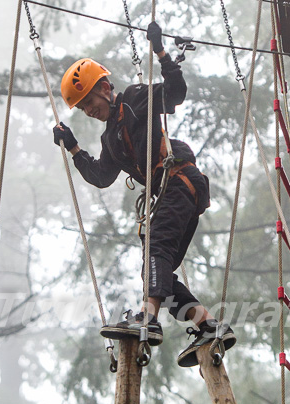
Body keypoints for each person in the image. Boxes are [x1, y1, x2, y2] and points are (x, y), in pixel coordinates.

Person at [53, 21, 235, 367]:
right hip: (173, 191)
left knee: (156, 250)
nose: (89, 111)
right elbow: (101, 176)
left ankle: (147, 319)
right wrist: (74, 147)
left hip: (180, 179)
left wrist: (162, 52)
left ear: (105, 87)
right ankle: (208, 325)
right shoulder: (109, 139)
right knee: (157, 272)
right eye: (83, 109)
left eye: (90, 101)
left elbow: (176, 93)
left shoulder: (136, 99)